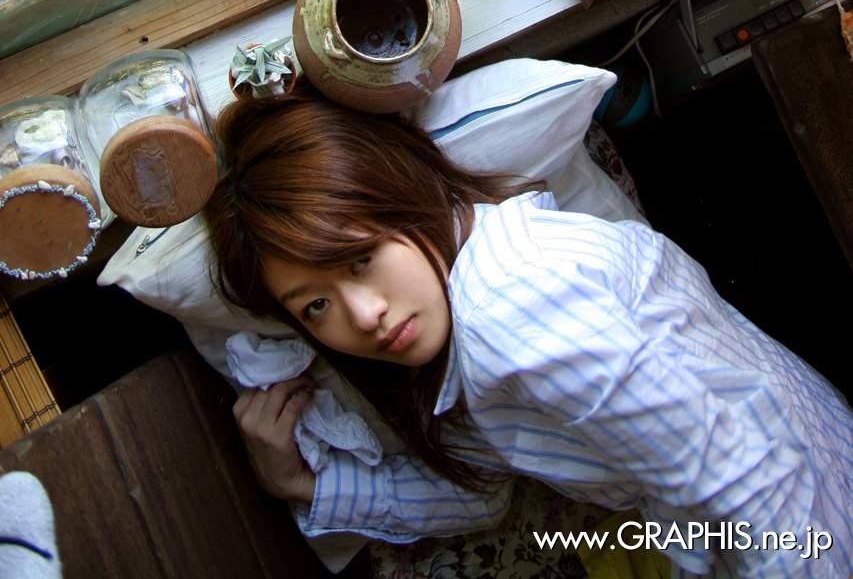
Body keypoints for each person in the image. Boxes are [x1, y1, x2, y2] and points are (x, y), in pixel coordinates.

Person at [204, 86, 853, 577]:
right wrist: (305, 484)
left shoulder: (512, 312)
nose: (363, 314)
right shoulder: (476, 291)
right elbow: (481, 491)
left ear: (400, 189)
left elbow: (749, 484)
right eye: (315, 306)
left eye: (361, 258)